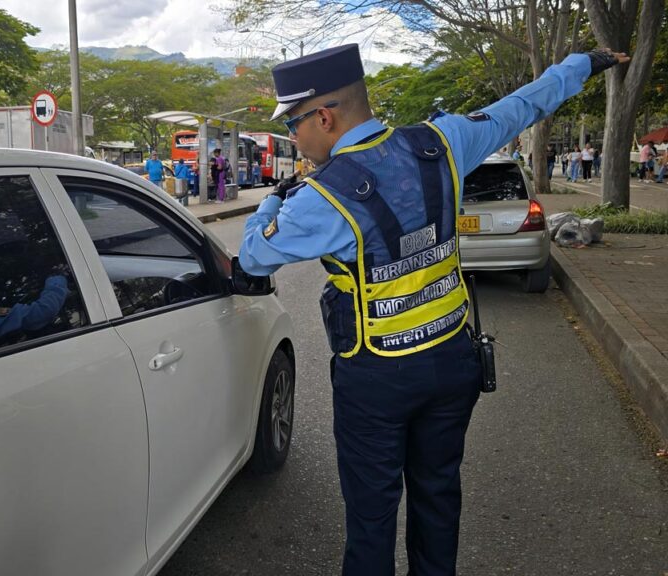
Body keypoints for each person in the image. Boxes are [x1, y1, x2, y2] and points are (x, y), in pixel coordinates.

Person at [239, 44, 628, 576]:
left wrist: (269, 203)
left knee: (373, 520)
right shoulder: (441, 142)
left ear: (323, 116)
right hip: (451, 360)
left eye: (294, 124)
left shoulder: (318, 198)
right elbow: (522, 105)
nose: (294, 138)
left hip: (375, 376)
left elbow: (256, 255)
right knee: (439, 497)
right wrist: (580, 65)